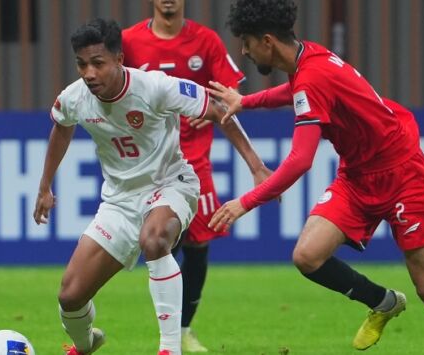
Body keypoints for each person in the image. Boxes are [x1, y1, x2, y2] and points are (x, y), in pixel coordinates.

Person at [199, 1, 424, 354]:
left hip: (402, 173)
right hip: (357, 176)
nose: (244, 51)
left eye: (246, 42)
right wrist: (246, 102)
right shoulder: (308, 58)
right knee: (307, 256)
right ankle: (384, 301)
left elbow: (299, 161)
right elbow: (294, 91)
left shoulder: (311, 76)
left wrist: (245, 202)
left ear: (266, 41)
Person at [34, 18, 267, 355]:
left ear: (119, 59)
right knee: (70, 296)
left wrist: (256, 167)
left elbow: (218, 109)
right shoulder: (75, 97)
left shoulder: (156, 87)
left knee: (154, 239)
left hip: (172, 184)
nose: (89, 73)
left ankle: (169, 349)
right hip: (119, 202)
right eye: (82, 64)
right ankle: (85, 344)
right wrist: (44, 187)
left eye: (98, 63)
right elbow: (61, 127)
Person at [121, 1, 258, 352]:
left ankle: (182, 329)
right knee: (164, 243)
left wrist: (210, 106)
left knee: (199, 245)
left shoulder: (206, 41)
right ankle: (169, 329)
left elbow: (230, 98)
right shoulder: (129, 42)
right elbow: (115, 92)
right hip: (150, 163)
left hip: (196, 161)